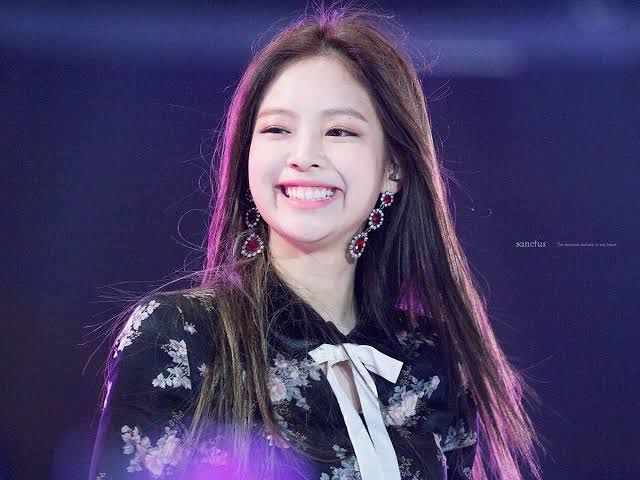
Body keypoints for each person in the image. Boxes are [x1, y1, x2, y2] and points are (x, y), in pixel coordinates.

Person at [88, 5, 544, 480]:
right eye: (277, 129)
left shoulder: (434, 361)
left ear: (393, 168)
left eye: (339, 131)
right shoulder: (180, 338)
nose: (304, 156)